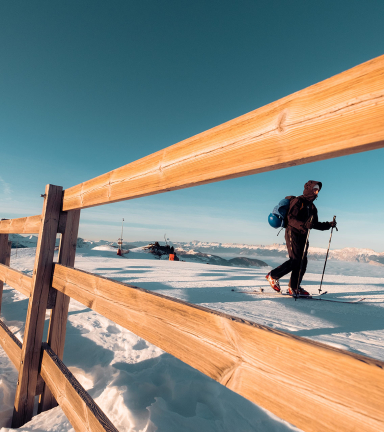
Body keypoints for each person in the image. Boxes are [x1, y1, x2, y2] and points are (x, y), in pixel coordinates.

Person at [266, 180, 336, 296]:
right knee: (295, 260)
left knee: (302, 262)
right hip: (292, 232)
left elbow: (315, 224)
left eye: (318, 190)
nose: (317, 192)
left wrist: (328, 225)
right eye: (315, 189)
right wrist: (304, 224)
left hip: (303, 235)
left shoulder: (312, 207)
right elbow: (290, 219)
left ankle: (294, 287)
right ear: (309, 189)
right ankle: (273, 275)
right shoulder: (298, 201)